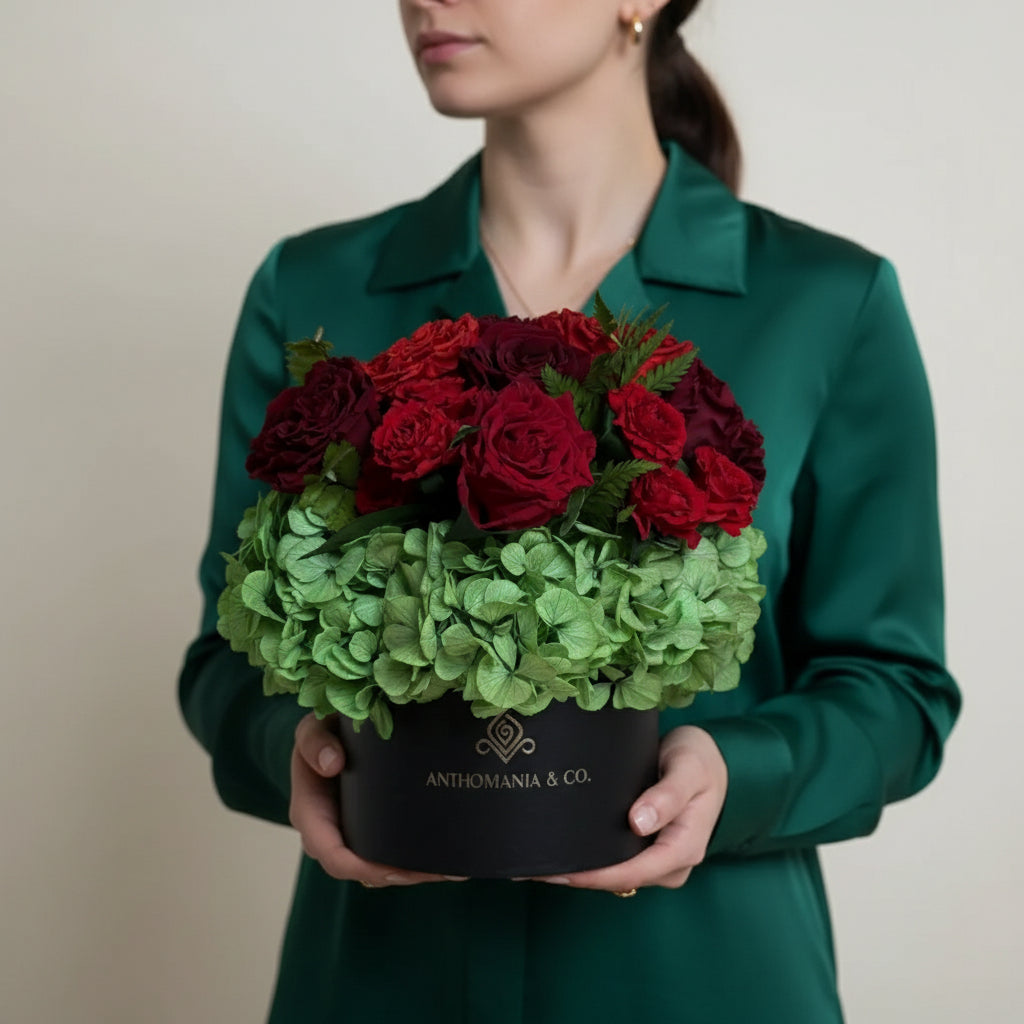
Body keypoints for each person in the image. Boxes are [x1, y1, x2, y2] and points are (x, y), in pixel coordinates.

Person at [179, 1, 960, 1021]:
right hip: (382, 979)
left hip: (701, 979)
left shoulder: (826, 302)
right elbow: (226, 659)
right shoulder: (314, 289)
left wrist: (741, 772)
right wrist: (293, 747)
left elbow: (895, 688)